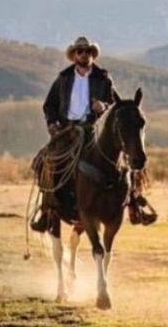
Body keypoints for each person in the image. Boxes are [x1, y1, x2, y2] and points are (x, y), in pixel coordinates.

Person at [31, 36, 117, 232]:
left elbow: (114, 103)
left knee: (117, 161)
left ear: (92, 55)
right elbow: (49, 105)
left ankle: (134, 202)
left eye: (87, 52)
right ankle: (48, 209)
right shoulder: (64, 78)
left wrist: (103, 105)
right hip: (66, 129)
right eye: (80, 52)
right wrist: (52, 124)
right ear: (74, 56)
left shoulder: (103, 78)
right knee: (47, 161)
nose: (84, 55)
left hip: (92, 129)